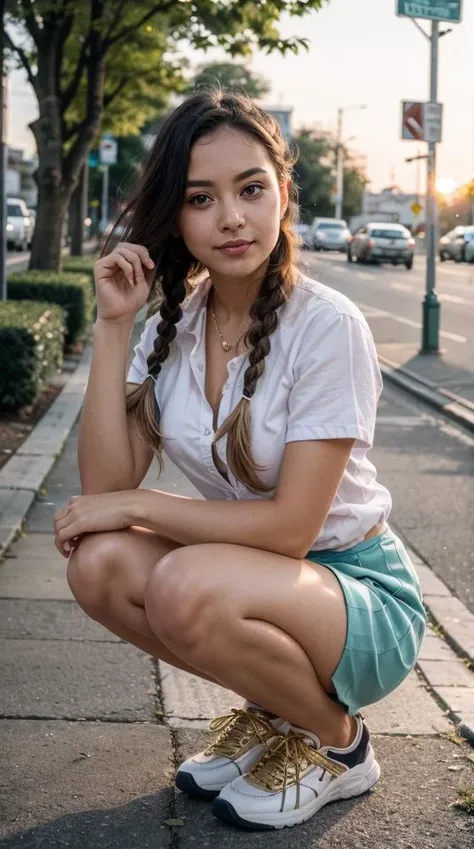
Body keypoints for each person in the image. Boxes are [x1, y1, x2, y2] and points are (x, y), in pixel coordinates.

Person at [54, 89, 426, 832]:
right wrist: (112, 327)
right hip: (256, 580)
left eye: (251, 188)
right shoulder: (180, 324)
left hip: (360, 595)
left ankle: (336, 742)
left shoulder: (327, 326)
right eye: (202, 198)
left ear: (282, 194)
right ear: (176, 216)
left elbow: (291, 530)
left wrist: (137, 507)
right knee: (97, 564)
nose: (232, 217)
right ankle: (274, 713)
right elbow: (105, 485)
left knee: (184, 581)